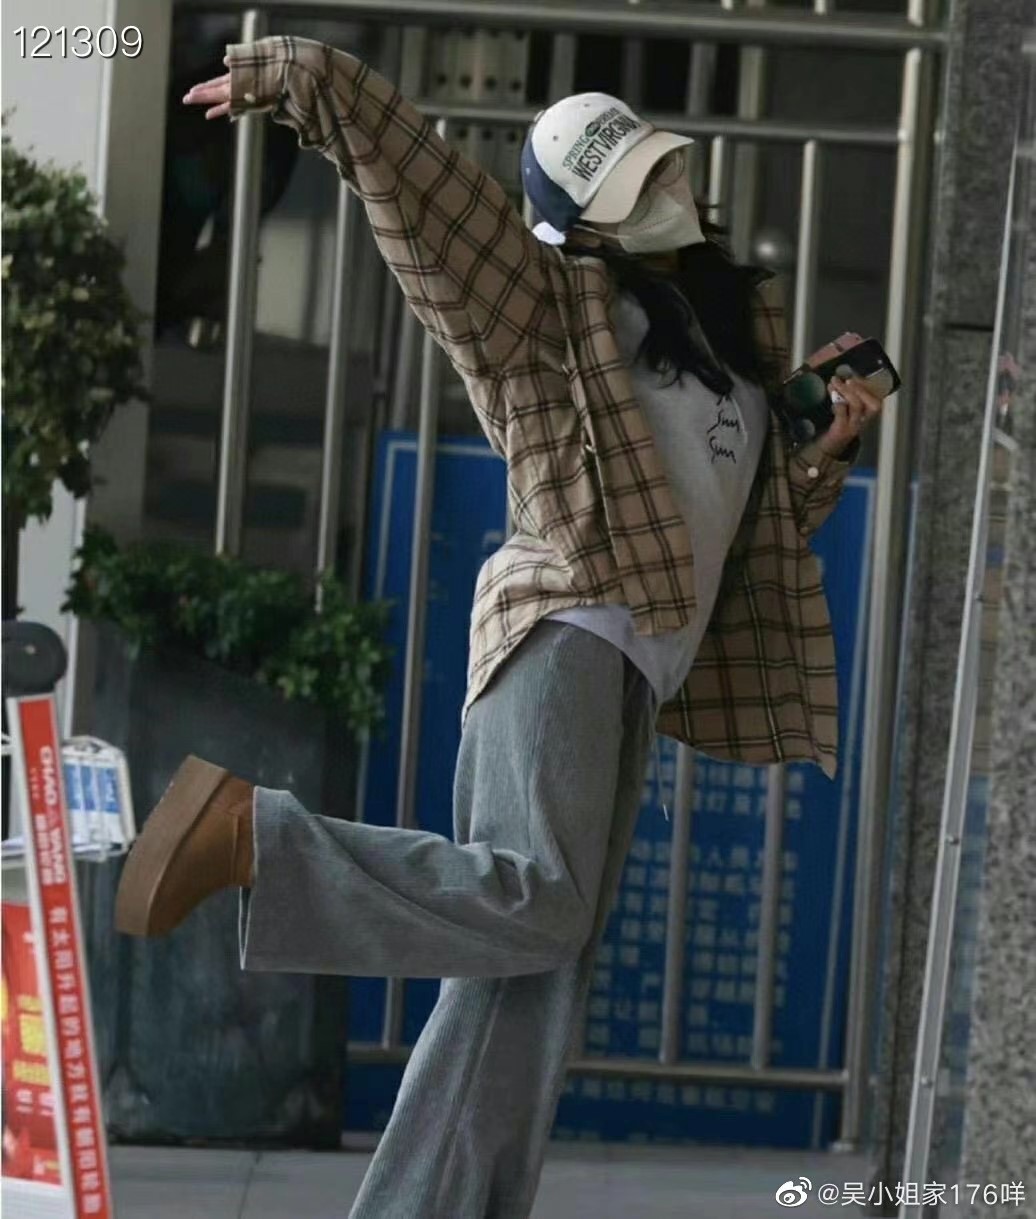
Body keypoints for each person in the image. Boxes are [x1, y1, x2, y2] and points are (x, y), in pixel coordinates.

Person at [114, 35, 885, 1219]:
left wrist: (819, 450)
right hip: (566, 626)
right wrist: (310, 82)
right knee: (537, 902)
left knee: (534, 969)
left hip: (637, 661)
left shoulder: (717, 331)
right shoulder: (546, 312)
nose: (667, 186)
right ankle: (251, 834)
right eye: (634, 180)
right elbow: (431, 203)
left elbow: (737, 530)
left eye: (662, 165)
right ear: (580, 218)